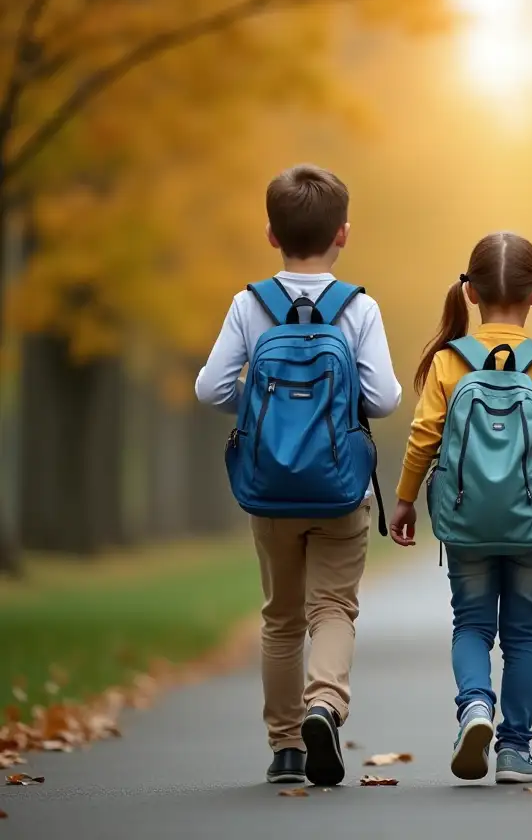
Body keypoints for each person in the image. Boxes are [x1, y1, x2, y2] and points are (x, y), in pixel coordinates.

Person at [195, 164, 402, 786]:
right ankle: (325, 704)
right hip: (340, 487)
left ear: (270, 233)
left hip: (270, 491)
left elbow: (210, 389)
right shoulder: (359, 307)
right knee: (333, 606)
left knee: (280, 617)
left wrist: (261, 407)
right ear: (344, 233)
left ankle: (286, 747)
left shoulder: (247, 304)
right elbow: (385, 398)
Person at [388, 232, 532, 785]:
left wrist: (405, 500)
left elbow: (423, 436)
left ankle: (475, 707)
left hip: (466, 520)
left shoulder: (449, 361)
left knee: (472, 623)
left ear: (470, 293)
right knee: (524, 632)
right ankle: (515, 750)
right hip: (531, 523)